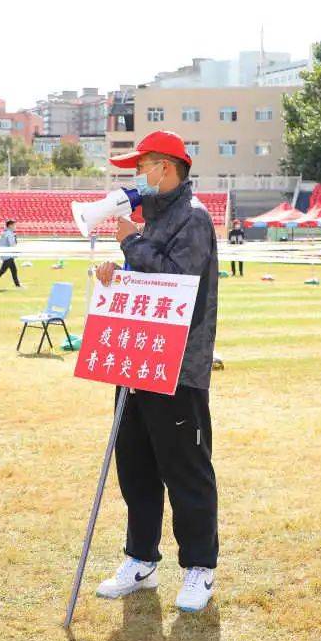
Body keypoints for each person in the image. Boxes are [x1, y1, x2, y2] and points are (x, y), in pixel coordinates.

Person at [93, 130, 219, 613]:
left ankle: (199, 568)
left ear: (165, 167)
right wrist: (117, 274)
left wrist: (130, 242)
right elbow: (147, 281)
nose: (136, 177)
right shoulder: (153, 220)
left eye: (142, 166)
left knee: (186, 470)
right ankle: (140, 559)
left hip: (178, 369)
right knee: (136, 468)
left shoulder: (194, 218)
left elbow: (176, 282)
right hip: (137, 363)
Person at [0, 219, 21, 289]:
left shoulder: (4, 232)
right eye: (14, 225)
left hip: (6, 254)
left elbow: (0, 244)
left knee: (13, 270)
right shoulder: (9, 233)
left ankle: (18, 285)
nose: (15, 226)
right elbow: (12, 245)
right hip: (7, 254)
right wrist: (15, 240)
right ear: (10, 225)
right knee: (3, 270)